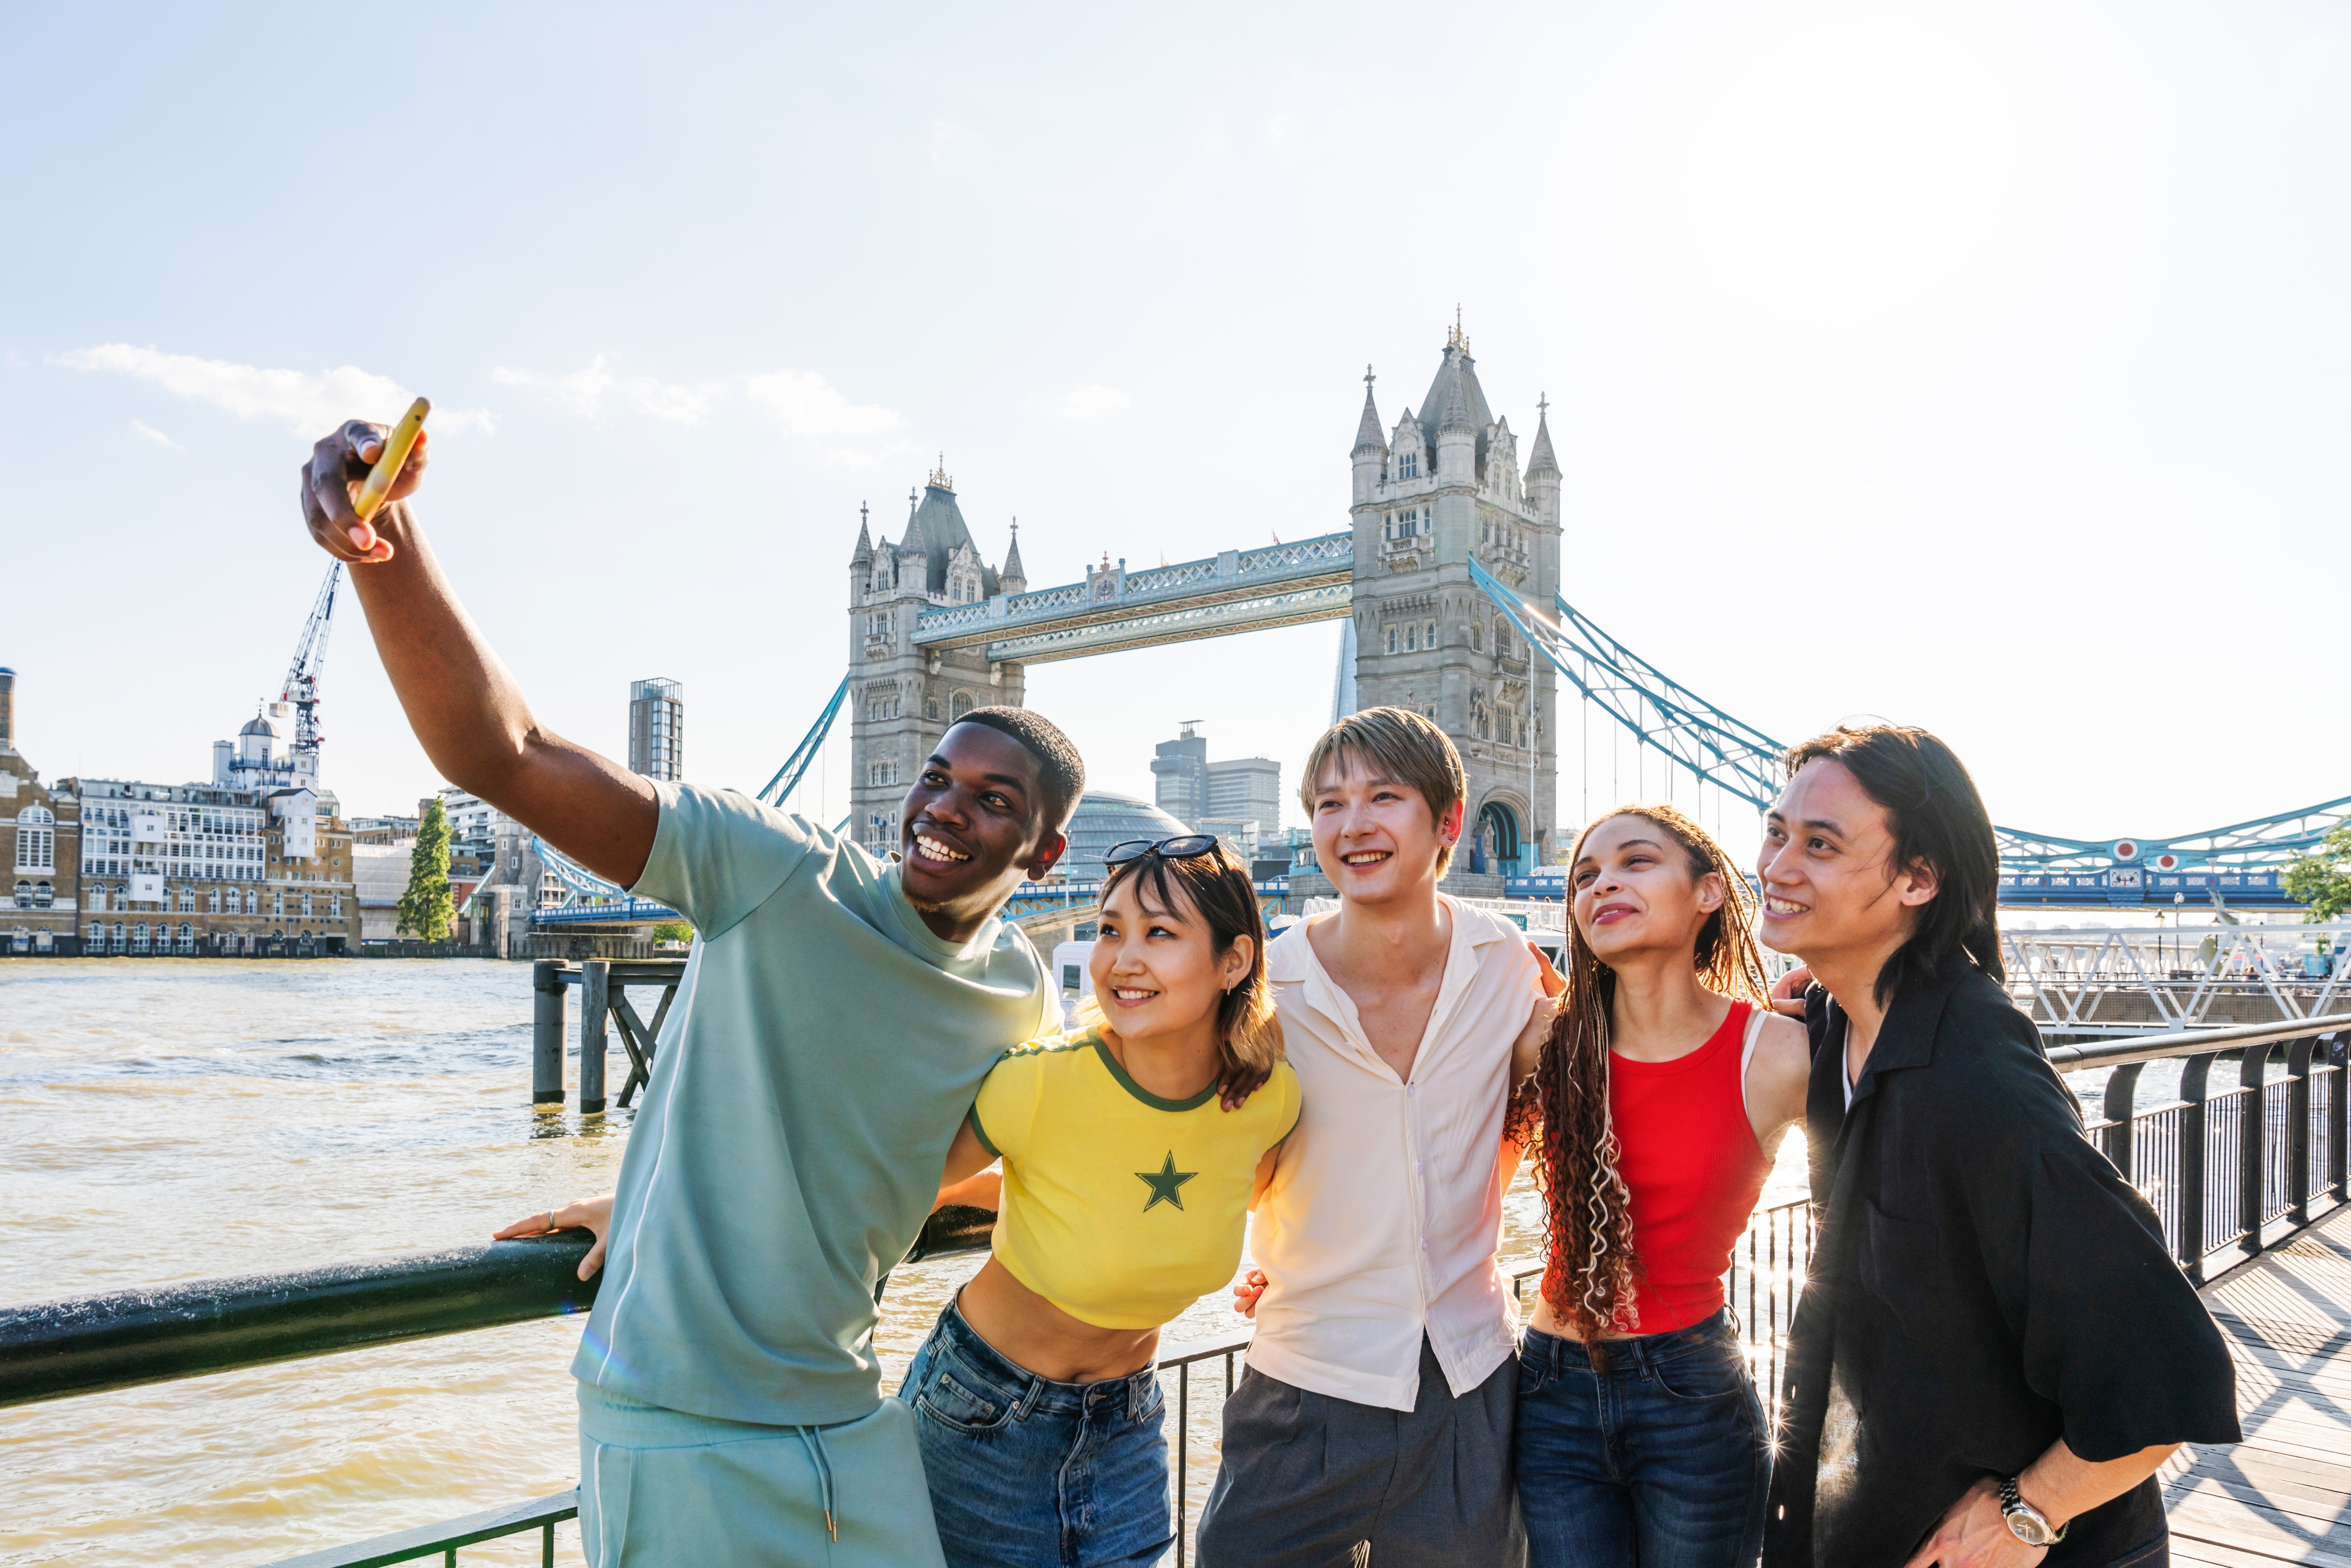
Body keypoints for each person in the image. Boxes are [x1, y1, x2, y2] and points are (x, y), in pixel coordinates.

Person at [299, 418, 1081, 1568]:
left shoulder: (1019, 993)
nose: (943, 808)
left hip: (850, 1419)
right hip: (678, 1422)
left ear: (1045, 855)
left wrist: (665, 1200)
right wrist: (388, 538)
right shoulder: (771, 868)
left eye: (992, 799)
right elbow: (500, 753)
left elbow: (939, 1171)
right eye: (934, 776)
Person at [1755, 723, 2240, 1568]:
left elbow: (2164, 1373)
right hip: (1871, 1514)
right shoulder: (1841, 1028)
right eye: (1776, 832)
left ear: (1918, 879)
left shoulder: (1981, 1088)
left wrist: (2029, 1514)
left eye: (1821, 845)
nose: (1777, 866)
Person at [1200, 706, 1560, 1568]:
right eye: (1328, 804)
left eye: (1382, 797)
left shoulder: (1507, 963)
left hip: (1470, 1384)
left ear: (1448, 823)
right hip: (1303, 1381)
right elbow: (1204, 1150)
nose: (1351, 824)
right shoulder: (1263, 990)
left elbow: (1530, 1107)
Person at [904, 835, 1299, 1568]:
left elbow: (1251, 1199)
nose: (1123, 958)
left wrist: (1283, 1277)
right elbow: (887, 1191)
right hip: (981, 1410)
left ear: (1234, 961)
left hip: (1126, 1419)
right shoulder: (1037, 1083)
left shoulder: (1267, 1098)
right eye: (1110, 929)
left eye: (1160, 933)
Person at [1510, 804, 1811, 1567]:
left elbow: (1893, 1196)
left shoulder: (1776, 1054)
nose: (1602, 883)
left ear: (1708, 892)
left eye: (1636, 862)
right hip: (1549, 1390)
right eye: (1585, 876)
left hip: (1691, 1397)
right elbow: (1434, 1170)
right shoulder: (1543, 1040)